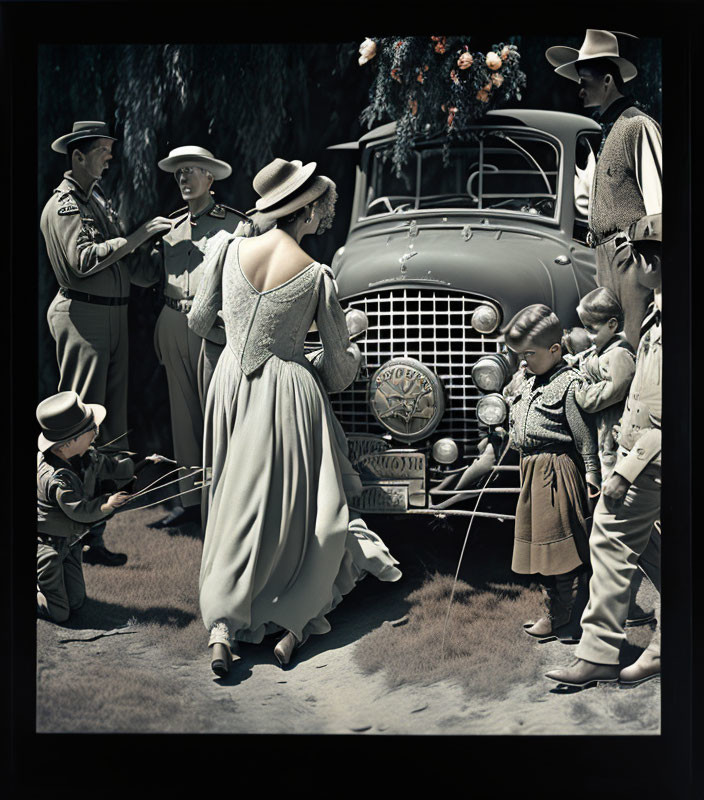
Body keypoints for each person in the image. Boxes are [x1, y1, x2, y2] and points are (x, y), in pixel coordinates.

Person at [189, 158, 402, 676]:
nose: (322, 217)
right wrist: (345, 342)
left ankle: (222, 627)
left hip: (230, 387)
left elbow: (199, 320)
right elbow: (339, 371)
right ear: (304, 211)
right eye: (319, 209)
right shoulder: (314, 275)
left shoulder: (226, 250)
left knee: (235, 499)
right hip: (287, 396)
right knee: (296, 511)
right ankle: (292, 624)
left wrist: (243, 347)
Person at [40, 121, 173, 565]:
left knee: (106, 430)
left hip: (109, 316)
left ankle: (92, 535)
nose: (110, 157)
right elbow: (82, 262)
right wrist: (135, 236)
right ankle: (65, 538)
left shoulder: (95, 199)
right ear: (78, 156)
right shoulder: (64, 206)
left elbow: (127, 269)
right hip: (85, 317)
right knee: (77, 429)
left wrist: (164, 256)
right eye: (103, 150)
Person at [545, 284, 662, 688]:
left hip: (639, 458)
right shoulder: (652, 320)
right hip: (632, 454)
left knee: (610, 539)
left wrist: (625, 471)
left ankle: (597, 655)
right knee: (646, 544)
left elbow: (650, 407)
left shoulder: (637, 341)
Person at [145, 146, 248, 530]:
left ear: (211, 178)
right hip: (172, 320)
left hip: (213, 327)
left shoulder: (237, 225)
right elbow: (150, 276)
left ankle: (223, 502)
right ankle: (189, 502)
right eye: (179, 173)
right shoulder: (168, 228)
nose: (185, 179)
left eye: (193, 171)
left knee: (218, 415)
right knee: (183, 415)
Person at [546, 30, 662, 349]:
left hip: (632, 256)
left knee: (638, 346)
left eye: (584, 81)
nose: (579, 91)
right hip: (604, 258)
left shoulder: (637, 126)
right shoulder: (606, 131)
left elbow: (657, 203)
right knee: (611, 350)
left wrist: (657, 279)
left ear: (607, 81)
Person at [503, 304, 600, 642]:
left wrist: (591, 472)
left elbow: (584, 434)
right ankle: (552, 612)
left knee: (562, 552)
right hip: (530, 472)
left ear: (555, 349)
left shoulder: (569, 384)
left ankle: (571, 617)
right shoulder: (528, 381)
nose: (524, 361)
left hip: (556, 472)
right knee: (539, 549)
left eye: (529, 354)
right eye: (519, 355)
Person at [36, 392, 133, 622]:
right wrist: (107, 504)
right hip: (48, 550)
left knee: (78, 601)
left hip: (70, 544)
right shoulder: (56, 480)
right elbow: (78, 511)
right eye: (90, 429)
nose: (95, 432)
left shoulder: (81, 456)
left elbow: (110, 466)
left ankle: (55, 588)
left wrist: (141, 464)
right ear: (67, 443)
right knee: (60, 613)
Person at [573, 287, 636, 482]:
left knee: (610, 481)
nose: (588, 335)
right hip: (599, 436)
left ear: (612, 325)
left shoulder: (619, 355)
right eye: (585, 328)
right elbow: (580, 361)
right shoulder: (599, 351)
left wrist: (579, 390)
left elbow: (610, 393)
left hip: (613, 439)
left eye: (592, 329)